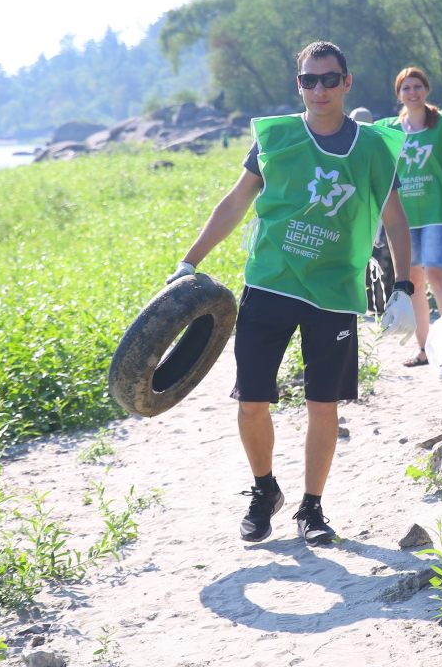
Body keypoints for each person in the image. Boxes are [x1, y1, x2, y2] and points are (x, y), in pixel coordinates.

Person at [165, 41, 416, 546]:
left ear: (347, 82)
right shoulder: (275, 138)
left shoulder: (372, 147)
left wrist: (405, 287)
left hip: (336, 292)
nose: (318, 88)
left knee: (323, 405)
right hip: (270, 283)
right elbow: (235, 203)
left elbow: (395, 219)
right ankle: (265, 492)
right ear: (298, 84)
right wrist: (189, 261)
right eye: (308, 79)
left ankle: (312, 508)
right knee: (252, 400)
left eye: (328, 79)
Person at [375, 68, 442, 368]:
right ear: (399, 94)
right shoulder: (390, 129)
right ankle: (425, 349)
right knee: (414, 282)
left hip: (438, 210)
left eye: (417, 86)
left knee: (435, 273)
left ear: (427, 90)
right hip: (404, 215)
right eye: (406, 88)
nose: (412, 92)